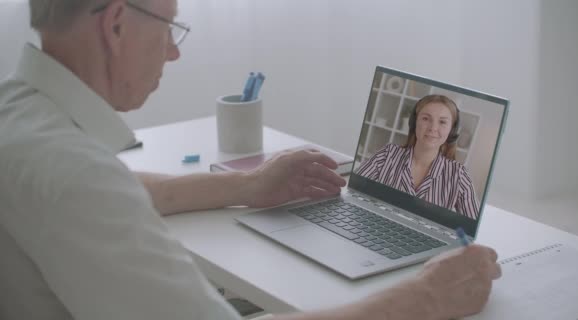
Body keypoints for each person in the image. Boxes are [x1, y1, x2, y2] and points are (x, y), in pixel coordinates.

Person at [0, 1, 500, 319]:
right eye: (170, 26)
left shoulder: (18, 114)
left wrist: (247, 186)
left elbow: (121, 189)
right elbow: (95, 190)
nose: (172, 53)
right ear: (114, 24)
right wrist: (423, 300)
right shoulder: (74, 175)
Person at [356, 95, 480, 219]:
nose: (433, 128)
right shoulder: (387, 154)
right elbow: (354, 191)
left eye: (442, 122)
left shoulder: (459, 175)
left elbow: (468, 231)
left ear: (451, 130)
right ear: (414, 123)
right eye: (426, 119)